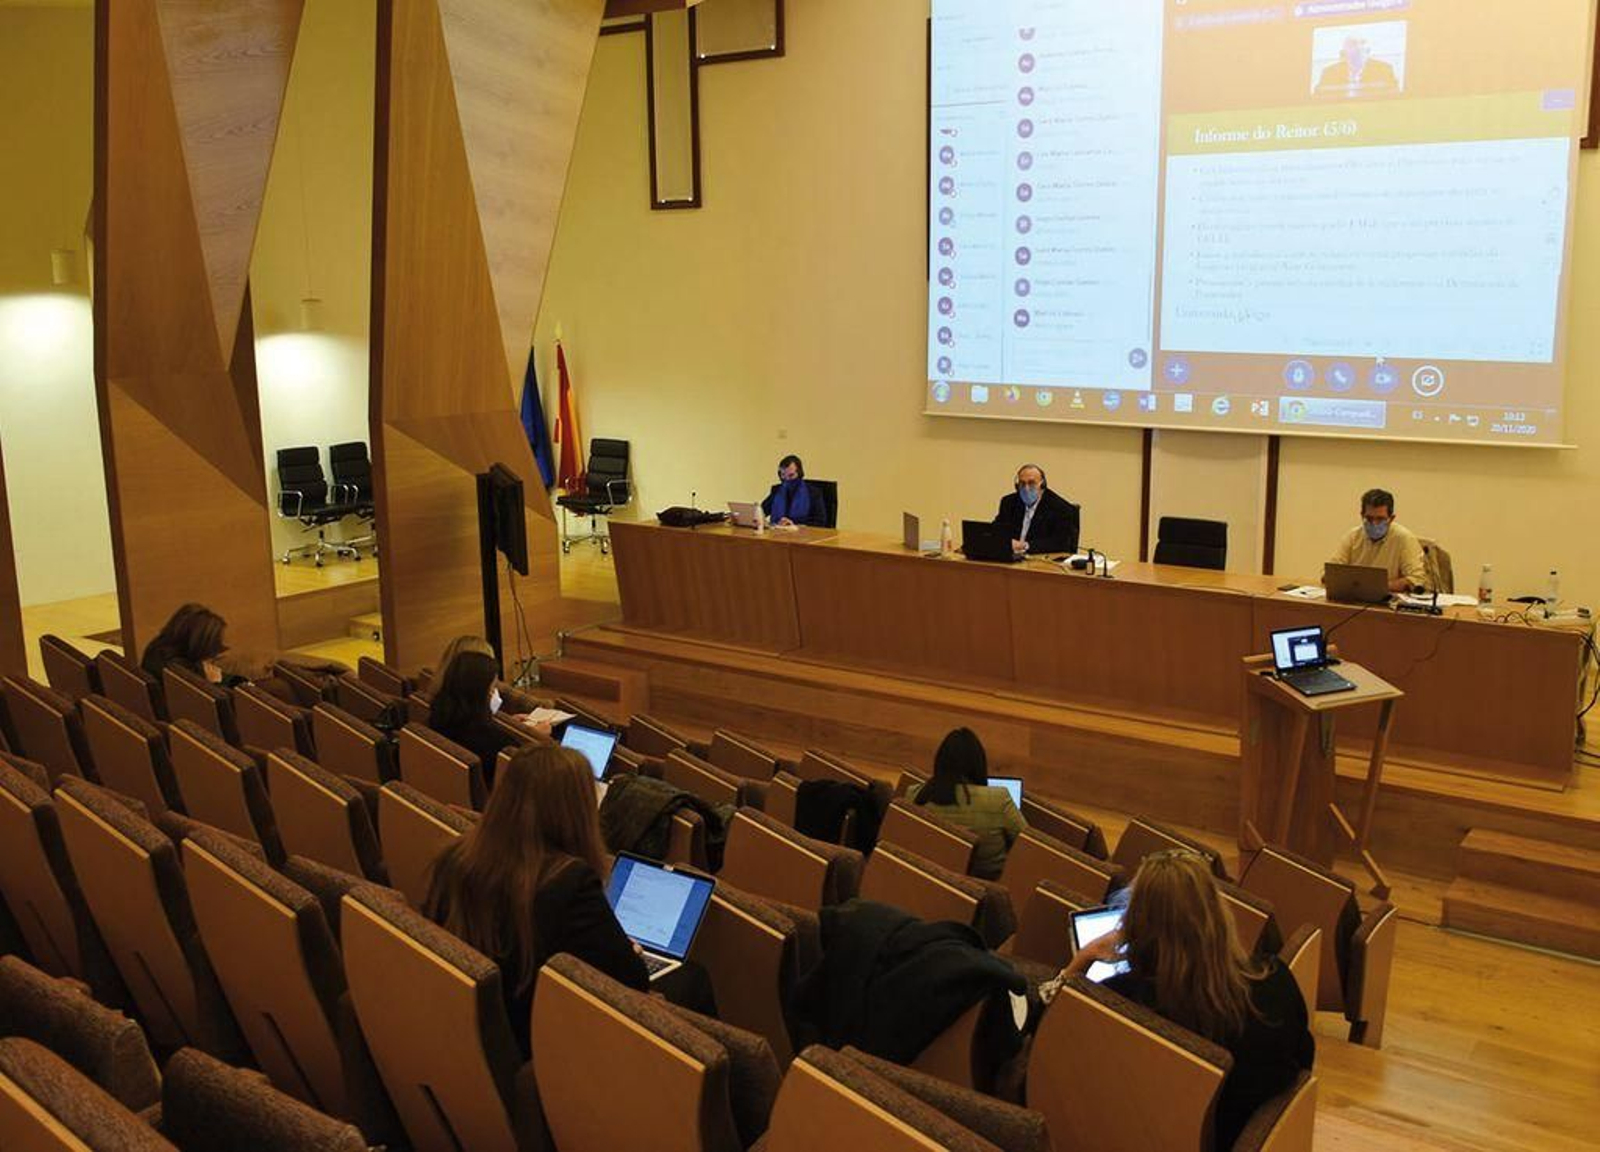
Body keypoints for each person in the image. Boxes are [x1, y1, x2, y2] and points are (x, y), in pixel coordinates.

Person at [1062, 850, 1314, 1151]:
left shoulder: (1122, 1004)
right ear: (1216, 911)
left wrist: (1081, 960)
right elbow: (1304, 1056)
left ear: (1137, 925)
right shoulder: (1275, 976)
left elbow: (1049, 1037)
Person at [422, 746, 644, 1057]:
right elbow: (632, 981)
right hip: (540, 1039)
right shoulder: (570, 881)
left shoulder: (454, 858)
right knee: (692, 982)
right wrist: (629, 949)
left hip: (468, 1027)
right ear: (575, 812)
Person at [140, 602, 342, 696]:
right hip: (226, 710)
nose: (216, 652)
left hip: (228, 693)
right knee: (280, 689)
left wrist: (238, 682)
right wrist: (217, 683)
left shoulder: (159, 649)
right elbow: (213, 705)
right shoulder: (179, 671)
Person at [911, 728, 1025, 880]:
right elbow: (1029, 847)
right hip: (987, 890)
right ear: (978, 763)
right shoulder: (999, 799)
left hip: (929, 882)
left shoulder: (914, 794)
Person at [426, 650, 547, 788]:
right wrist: (538, 739)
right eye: (493, 687)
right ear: (483, 692)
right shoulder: (496, 743)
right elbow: (529, 774)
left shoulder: (438, 717)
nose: (493, 693)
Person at [1326, 488, 1426, 593]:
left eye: (1380, 519)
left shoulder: (1404, 538)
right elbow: (1331, 572)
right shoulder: (1353, 536)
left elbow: (1417, 579)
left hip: (1389, 601)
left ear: (1391, 519)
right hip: (1355, 599)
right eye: (1369, 518)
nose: (1374, 524)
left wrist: (1378, 587)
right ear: (1361, 516)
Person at [992, 464, 1079, 556]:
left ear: (1042, 484)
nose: (1026, 488)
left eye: (1031, 483)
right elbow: (996, 530)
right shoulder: (1009, 502)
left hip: (1041, 560)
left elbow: (1061, 543)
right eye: (1022, 483)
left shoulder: (1061, 508)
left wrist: (1025, 545)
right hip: (1011, 559)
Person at [1315, 35, 1399, 99]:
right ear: (1343, 53)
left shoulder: (1384, 69)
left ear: (1368, 51)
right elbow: (1318, 97)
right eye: (1352, 46)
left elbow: (1395, 96)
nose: (1358, 48)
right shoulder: (1329, 72)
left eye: (1361, 49)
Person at [760, 455, 831, 528]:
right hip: (777, 535)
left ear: (799, 473)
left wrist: (794, 525)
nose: (787, 479)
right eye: (783, 475)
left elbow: (820, 521)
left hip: (803, 536)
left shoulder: (813, 492)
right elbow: (761, 511)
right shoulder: (776, 490)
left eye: (791, 475)